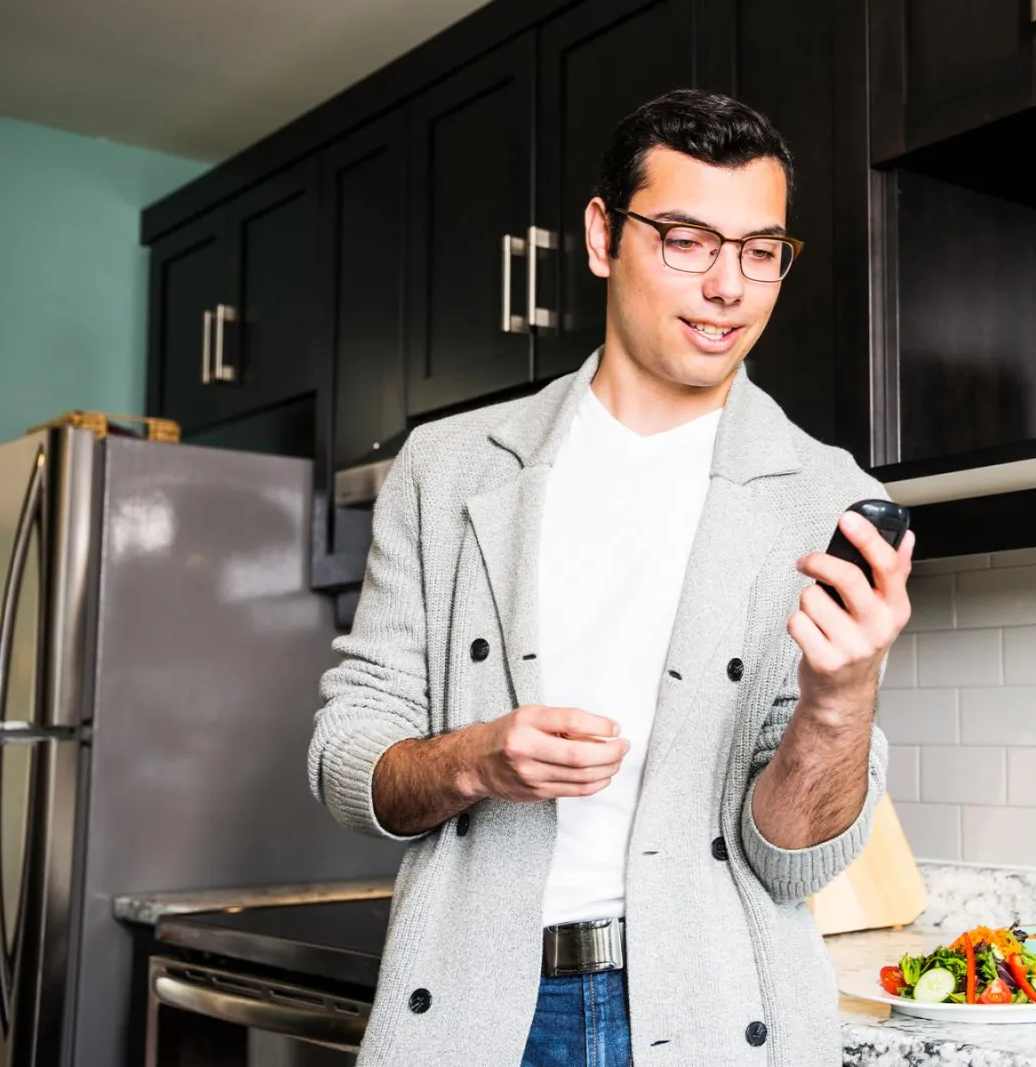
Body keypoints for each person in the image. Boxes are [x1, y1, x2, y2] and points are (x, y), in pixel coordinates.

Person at [308, 88, 915, 1067]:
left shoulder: (826, 495)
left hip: (718, 1009)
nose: (728, 286)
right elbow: (349, 750)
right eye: (686, 239)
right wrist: (475, 759)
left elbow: (792, 853)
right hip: (475, 1008)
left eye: (761, 252)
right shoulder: (451, 466)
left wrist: (843, 699)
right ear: (602, 236)